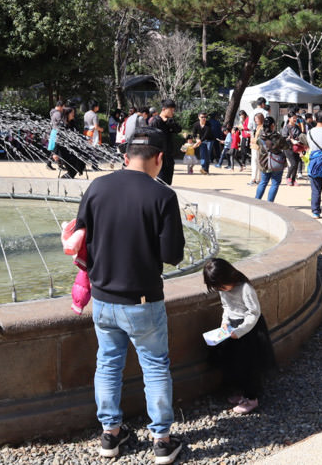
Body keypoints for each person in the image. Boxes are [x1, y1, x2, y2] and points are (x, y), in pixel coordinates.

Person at [73, 128, 185, 463]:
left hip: (104, 298)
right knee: (154, 366)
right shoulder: (162, 196)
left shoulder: (97, 187)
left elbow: (80, 234)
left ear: (125, 157)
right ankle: (162, 439)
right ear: (159, 159)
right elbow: (173, 255)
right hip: (143, 300)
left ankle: (110, 435)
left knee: (107, 364)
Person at [202, 258, 275, 416]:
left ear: (229, 276)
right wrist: (224, 323)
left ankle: (251, 397)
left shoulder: (245, 288)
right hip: (233, 327)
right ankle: (240, 390)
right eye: (218, 288)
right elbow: (226, 307)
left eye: (222, 286)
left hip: (249, 330)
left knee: (249, 364)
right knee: (234, 361)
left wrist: (241, 330)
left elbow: (253, 313)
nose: (222, 290)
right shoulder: (223, 289)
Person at [147, 100, 181, 184]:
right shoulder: (156, 121)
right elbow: (151, 138)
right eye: (171, 110)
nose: (173, 112)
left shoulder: (169, 121)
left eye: (173, 110)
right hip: (159, 156)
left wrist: (169, 122)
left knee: (168, 182)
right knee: (160, 182)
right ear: (164, 109)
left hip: (169, 155)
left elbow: (178, 129)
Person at [254, 116, 288, 202]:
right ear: (272, 125)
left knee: (263, 182)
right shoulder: (278, 137)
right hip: (276, 163)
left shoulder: (260, 137)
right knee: (275, 184)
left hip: (264, 163)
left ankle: (256, 201)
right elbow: (286, 146)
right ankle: (270, 203)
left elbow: (257, 144)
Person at [281, 113, 305, 186]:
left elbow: (301, 136)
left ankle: (293, 180)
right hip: (288, 148)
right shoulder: (286, 128)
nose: (295, 119)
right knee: (293, 163)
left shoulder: (297, 127)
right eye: (293, 118)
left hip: (297, 147)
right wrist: (291, 140)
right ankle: (288, 177)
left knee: (296, 163)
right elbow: (284, 137)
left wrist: (302, 147)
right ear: (289, 119)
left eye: (296, 118)